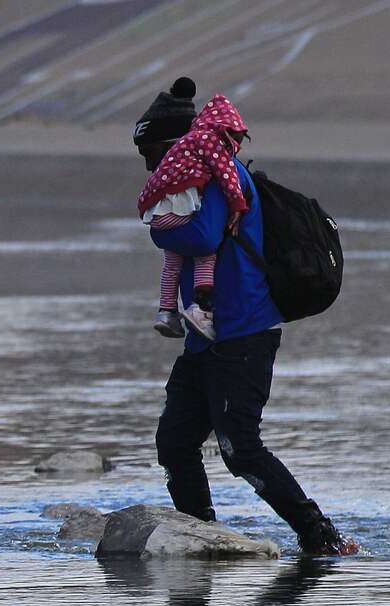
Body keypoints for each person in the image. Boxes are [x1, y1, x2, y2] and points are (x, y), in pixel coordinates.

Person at [133, 78, 358, 555]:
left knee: (241, 448)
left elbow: (199, 238)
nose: (150, 165)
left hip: (244, 334)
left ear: (174, 143)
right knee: (174, 443)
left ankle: (321, 535)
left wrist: (158, 231)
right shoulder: (190, 178)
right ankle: (202, 535)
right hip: (204, 338)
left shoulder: (218, 173)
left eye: (152, 151)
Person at [137, 77, 250, 341]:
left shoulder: (188, 148)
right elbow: (206, 237)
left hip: (158, 214)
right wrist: (237, 205)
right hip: (232, 332)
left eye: (149, 153)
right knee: (205, 254)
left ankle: (167, 312)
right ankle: (201, 308)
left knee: (172, 261)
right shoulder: (210, 146)